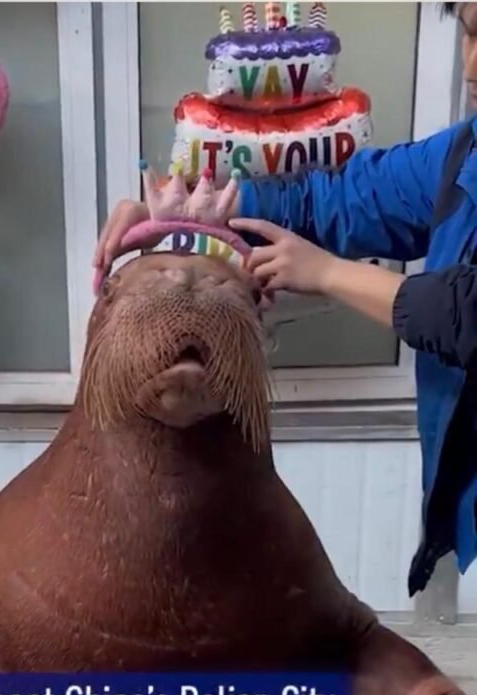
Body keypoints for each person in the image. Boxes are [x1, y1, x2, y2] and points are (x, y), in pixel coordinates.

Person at [94, 2, 477, 598]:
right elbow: (336, 200)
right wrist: (185, 207)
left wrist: (326, 273)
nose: (472, 63)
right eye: (470, 35)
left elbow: (465, 314)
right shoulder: (463, 155)